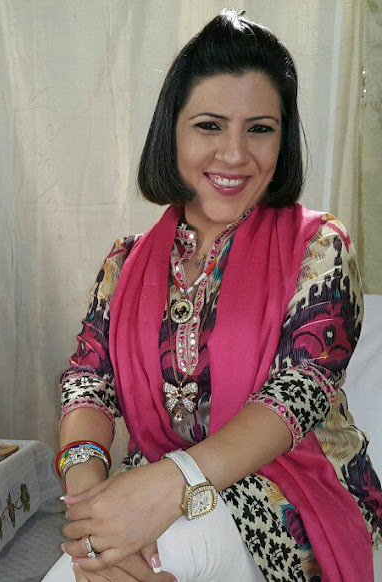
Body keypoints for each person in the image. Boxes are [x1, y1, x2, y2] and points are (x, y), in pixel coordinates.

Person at [44, 9, 382, 582]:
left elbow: (297, 394)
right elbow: (88, 383)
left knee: (138, 556)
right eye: (209, 126)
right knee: (94, 562)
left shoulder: (319, 246)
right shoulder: (125, 264)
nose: (234, 154)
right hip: (149, 489)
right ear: (171, 131)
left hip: (295, 496)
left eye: (260, 129)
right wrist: (89, 505)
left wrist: (171, 484)